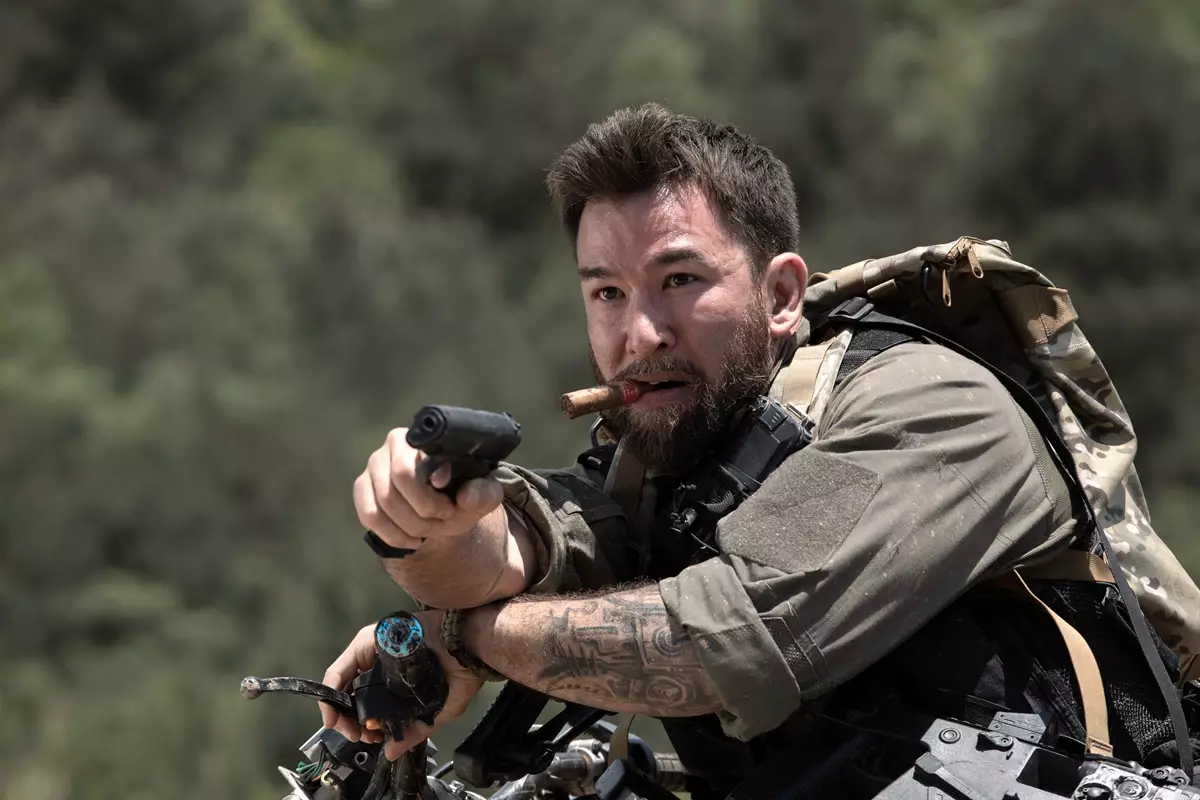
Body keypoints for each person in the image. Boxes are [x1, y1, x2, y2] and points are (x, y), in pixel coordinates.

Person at [320, 103, 1191, 798]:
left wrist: (465, 639)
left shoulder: (930, 406)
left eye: (679, 281)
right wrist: (429, 526)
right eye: (607, 293)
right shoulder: (675, 455)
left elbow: (713, 645)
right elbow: (529, 551)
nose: (641, 334)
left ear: (780, 296)